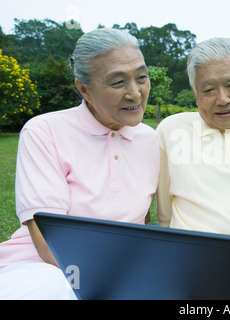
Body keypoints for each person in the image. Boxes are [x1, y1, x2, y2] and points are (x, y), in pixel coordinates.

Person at [0, 28, 160, 299]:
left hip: (121, 271)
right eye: (118, 82)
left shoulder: (150, 139)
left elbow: (138, 223)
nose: (135, 93)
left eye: (142, 78)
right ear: (84, 88)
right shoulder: (44, 131)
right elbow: (48, 242)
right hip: (40, 270)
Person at [156, 38, 230, 235]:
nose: (222, 99)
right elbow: (164, 216)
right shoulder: (172, 130)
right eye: (209, 90)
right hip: (189, 255)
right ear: (195, 93)